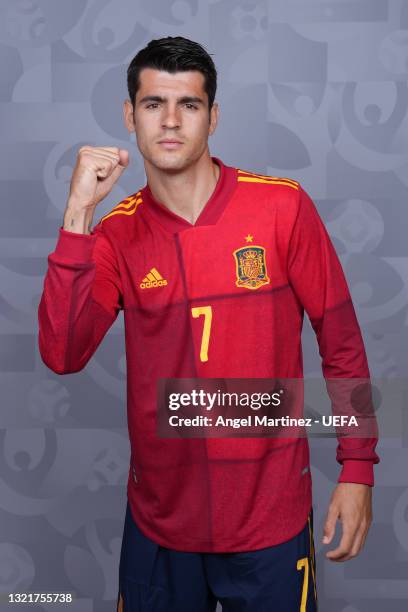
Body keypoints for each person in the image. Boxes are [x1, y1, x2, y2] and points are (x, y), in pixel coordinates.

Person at [37, 36, 379, 611]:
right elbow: (62, 354)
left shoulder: (283, 208)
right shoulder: (115, 233)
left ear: (213, 117)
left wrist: (357, 467)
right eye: (153, 104)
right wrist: (77, 217)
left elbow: (341, 342)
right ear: (129, 115)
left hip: (270, 522)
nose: (170, 122)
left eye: (189, 105)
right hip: (161, 526)